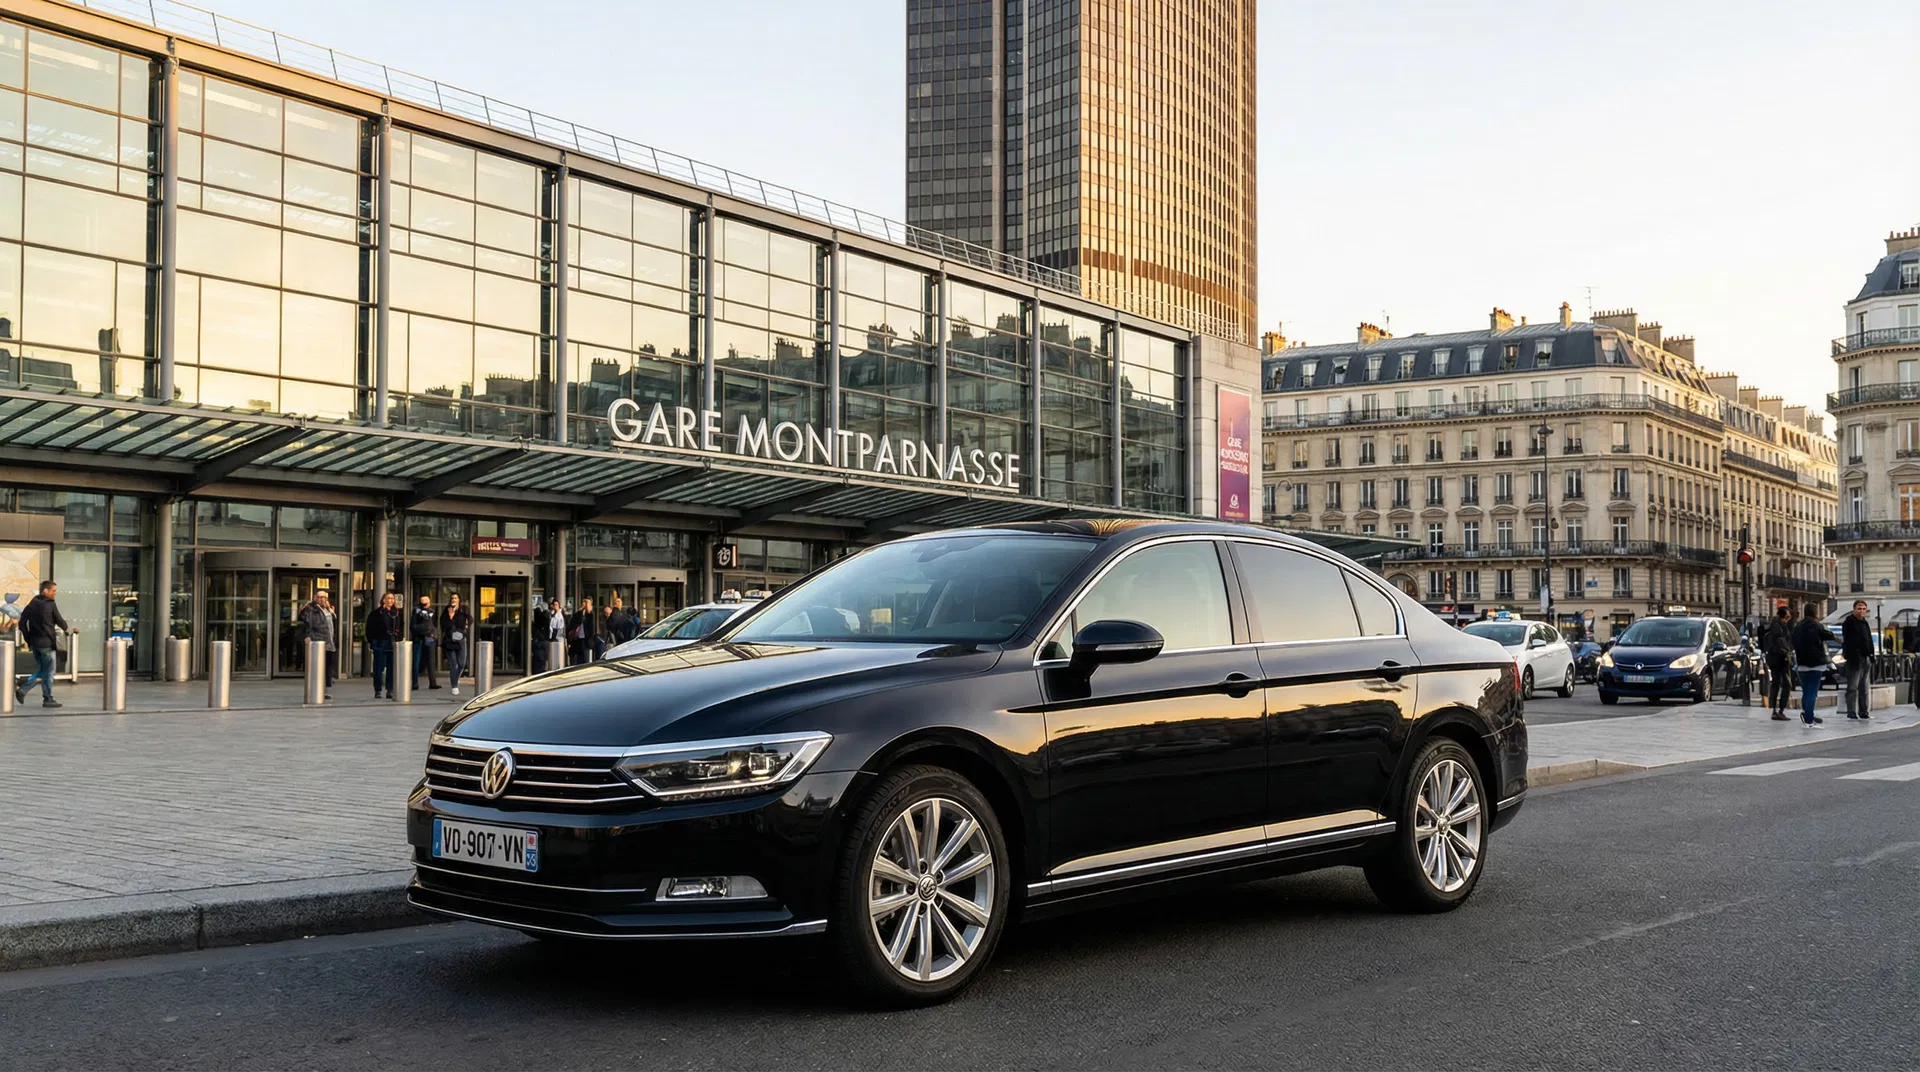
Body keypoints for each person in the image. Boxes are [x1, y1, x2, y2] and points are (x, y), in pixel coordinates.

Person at [17, 580, 67, 708]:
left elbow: (22, 623)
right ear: (46, 591)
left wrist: (28, 638)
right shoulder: (50, 604)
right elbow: (60, 621)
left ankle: (29, 689)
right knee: (48, 672)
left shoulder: (32, 604)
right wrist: (66, 627)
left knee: (42, 669)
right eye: (53, 591)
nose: (55, 593)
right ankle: (39, 694)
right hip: (47, 644)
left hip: (35, 644)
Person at [1790, 601, 1834, 726]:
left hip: (1802, 663)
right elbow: (1828, 635)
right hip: (1816, 663)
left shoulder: (1798, 627)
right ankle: (1809, 719)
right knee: (1812, 692)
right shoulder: (1817, 626)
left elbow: (1793, 641)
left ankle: (1807, 714)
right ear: (1816, 613)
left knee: (1806, 691)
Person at [298, 588, 339, 701]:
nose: (322, 599)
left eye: (324, 597)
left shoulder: (327, 609)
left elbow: (332, 622)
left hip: (329, 641)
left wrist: (333, 613)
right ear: (315, 598)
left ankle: (326, 689)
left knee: (329, 667)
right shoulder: (311, 609)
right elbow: (307, 623)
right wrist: (308, 636)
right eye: (320, 597)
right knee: (320, 667)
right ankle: (320, 690)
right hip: (319, 642)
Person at [1756, 606, 1795, 721]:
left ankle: (1774, 710)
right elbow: (1782, 643)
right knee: (1786, 684)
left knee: (1776, 684)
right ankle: (1779, 710)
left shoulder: (1776, 625)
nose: (1788, 619)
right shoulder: (1778, 627)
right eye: (1787, 617)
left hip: (1774, 659)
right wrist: (1788, 653)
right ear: (1781, 616)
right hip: (1780, 659)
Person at [366, 592, 403, 700]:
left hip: (392, 643)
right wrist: (372, 641)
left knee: (392, 668)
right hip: (380, 643)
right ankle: (378, 690)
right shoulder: (376, 613)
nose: (391, 600)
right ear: (383, 600)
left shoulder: (396, 613)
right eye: (388, 598)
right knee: (379, 668)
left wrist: (399, 637)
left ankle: (390, 690)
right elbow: (370, 628)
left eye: (392, 598)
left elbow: (400, 626)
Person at [1841, 599, 1874, 720]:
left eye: (1864, 609)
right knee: (1852, 687)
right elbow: (1849, 642)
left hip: (1866, 658)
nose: (1861, 611)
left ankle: (1864, 712)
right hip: (1855, 659)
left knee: (1864, 687)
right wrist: (1852, 656)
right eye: (1859, 608)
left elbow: (1869, 639)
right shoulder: (1849, 622)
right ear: (1854, 609)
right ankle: (1851, 712)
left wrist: (1871, 655)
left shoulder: (1864, 623)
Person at [440, 592, 474, 697]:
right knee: (453, 664)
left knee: (462, 663)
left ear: (459, 600)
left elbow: (470, 620)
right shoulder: (447, 610)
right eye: (452, 598)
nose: (453, 600)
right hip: (450, 641)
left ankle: (456, 677)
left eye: (455, 598)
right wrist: (450, 617)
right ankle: (454, 685)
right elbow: (445, 626)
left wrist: (465, 629)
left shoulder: (463, 610)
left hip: (461, 639)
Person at [410, 594, 440, 692]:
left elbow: (434, 624)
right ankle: (414, 683)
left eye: (426, 603)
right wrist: (424, 630)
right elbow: (413, 626)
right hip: (419, 638)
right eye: (422, 603)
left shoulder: (432, 611)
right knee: (416, 661)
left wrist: (433, 634)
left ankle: (433, 682)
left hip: (429, 638)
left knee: (431, 661)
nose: (424, 605)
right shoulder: (416, 611)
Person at [568, 597, 596, 665]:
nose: (585, 605)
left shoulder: (591, 615)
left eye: (587, 603)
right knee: (578, 660)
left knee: (586, 660)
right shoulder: (577, 614)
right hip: (577, 640)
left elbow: (591, 628)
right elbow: (572, 625)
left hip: (586, 641)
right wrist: (581, 612)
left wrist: (588, 613)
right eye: (584, 603)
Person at [530, 598, 552, 675]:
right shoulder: (545, 616)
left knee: (539, 658)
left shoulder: (538, 617)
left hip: (539, 640)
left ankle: (538, 670)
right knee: (541, 658)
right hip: (542, 640)